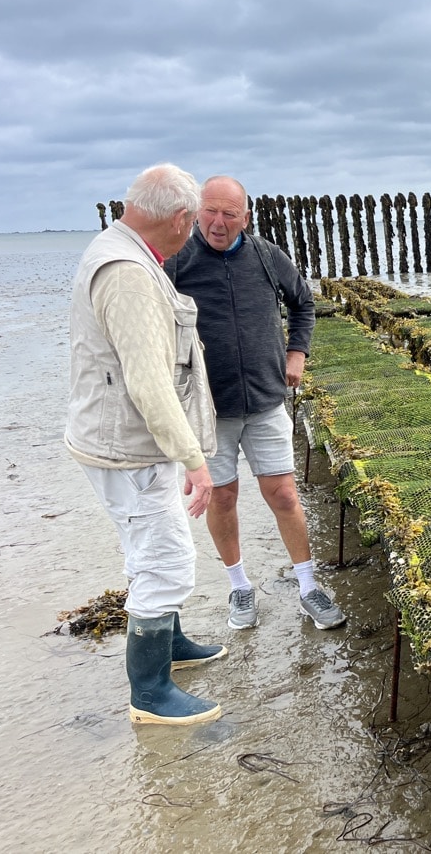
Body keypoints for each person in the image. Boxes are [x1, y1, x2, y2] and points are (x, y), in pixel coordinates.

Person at [66, 163, 225, 726]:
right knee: (164, 558)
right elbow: (149, 382)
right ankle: (150, 693)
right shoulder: (129, 273)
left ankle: (172, 646)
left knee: (155, 542)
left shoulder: (117, 248)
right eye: (195, 221)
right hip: (130, 448)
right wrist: (194, 460)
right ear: (182, 218)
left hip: (124, 442)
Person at [165, 176, 346, 631]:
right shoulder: (176, 262)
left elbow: (303, 303)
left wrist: (297, 353)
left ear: (246, 217)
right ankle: (239, 586)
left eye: (229, 213)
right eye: (209, 210)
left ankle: (308, 586)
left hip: (266, 400)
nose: (218, 222)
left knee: (283, 493)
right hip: (210, 408)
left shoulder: (267, 257)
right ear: (193, 211)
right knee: (223, 496)